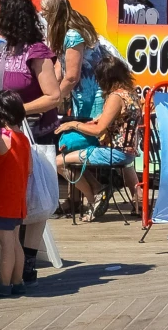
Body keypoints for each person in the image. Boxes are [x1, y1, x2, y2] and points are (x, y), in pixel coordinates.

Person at [54, 54, 138, 213]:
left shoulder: (116, 97)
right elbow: (102, 121)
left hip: (114, 153)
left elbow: (98, 130)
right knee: (74, 154)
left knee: (58, 161)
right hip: (127, 153)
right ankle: (98, 190)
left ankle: (94, 197)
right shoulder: (130, 94)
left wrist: (73, 124)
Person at [0, 90, 31, 294]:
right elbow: (29, 169)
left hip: (2, 200)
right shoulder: (23, 139)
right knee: (15, 242)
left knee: (5, 245)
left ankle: (4, 285)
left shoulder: (1, 139)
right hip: (18, 200)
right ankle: (18, 281)